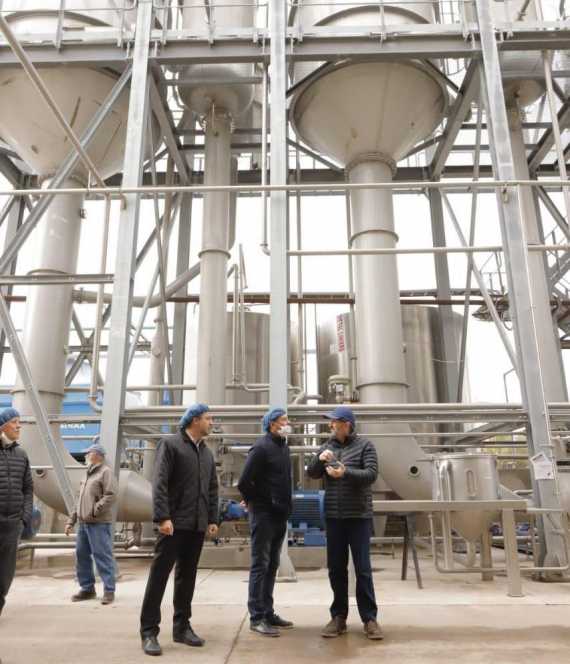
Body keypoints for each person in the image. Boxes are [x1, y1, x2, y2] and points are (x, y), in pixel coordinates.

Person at [140, 403, 219, 657]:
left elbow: (212, 488)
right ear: (194, 420)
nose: (212, 422)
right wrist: (163, 517)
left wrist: (212, 518)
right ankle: (149, 631)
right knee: (159, 576)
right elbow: (160, 482)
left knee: (187, 577)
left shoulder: (206, 453)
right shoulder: (170, 445)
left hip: (196, 525)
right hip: (172, 525)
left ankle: (182, 627)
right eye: (208, 418)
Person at [307, 406, 383, 640]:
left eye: (335, 422)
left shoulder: (365, 446)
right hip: (334, 517)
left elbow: (371, 474)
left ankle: (369, 619)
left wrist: (345, 472)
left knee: (363, 569)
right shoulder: (327, 446)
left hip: (358, 516)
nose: (331, 425)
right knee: (336, 569)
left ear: (347, 424)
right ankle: (338, 617)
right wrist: (318, 460)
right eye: (331, 422)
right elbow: (312, 473)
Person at [238, 408, 294, 637]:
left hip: (280, 515)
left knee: (272, 564)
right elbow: (244, 482)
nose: (288, 423)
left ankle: (268, 612)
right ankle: (257, 617)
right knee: (260, 565)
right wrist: (258, 501)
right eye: (284, 420)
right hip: (264, 515)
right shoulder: (261, 448)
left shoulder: (283, 447)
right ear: (272, 424)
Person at [65, 439, 117, 605]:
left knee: (102, 556)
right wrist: (71, 521)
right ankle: (87, 589)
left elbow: (111, 495)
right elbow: (79, 500)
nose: (86, 455)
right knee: (82, 556)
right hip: (83, 524)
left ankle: (109, 590)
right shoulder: (87, 474)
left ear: (98, 455)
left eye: (89, 453)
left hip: (98, 523)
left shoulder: (105, 472)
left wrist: (94, 511)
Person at [0, 408, 32, 617]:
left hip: (12, 524)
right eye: (14, 422)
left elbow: (28, 488)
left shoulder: (21, 454)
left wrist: (24, 518)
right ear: (2, 426)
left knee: (6, 573)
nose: (19, 426)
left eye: (19, 422)